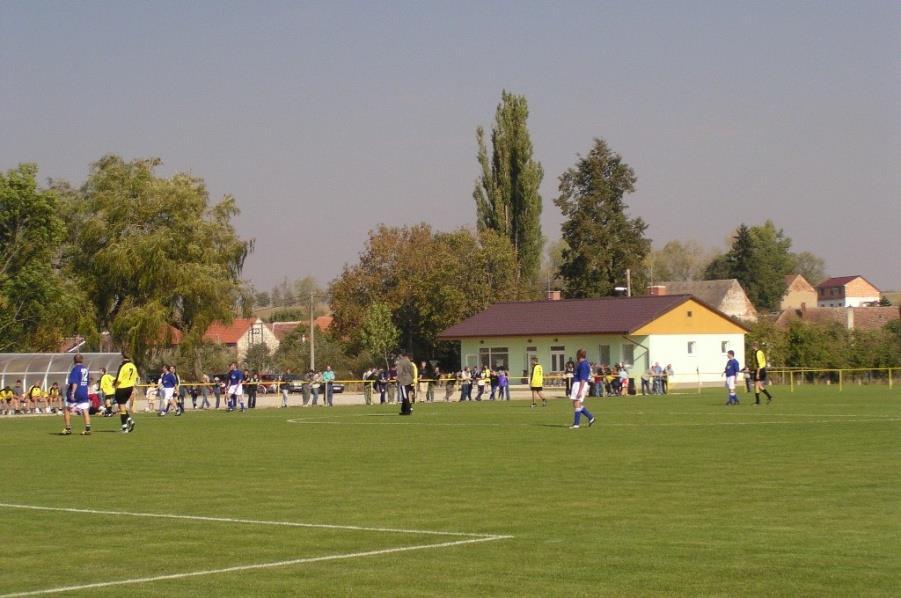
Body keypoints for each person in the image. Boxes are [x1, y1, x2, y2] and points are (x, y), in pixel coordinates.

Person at [62, 353, 92, 435]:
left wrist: (72, 393)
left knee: (67, 409)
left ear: (74, 361)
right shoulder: (86, 369)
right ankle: (87, 428)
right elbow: (88, 382)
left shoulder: (75, 369)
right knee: (85, 410)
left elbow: (74, 382)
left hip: (76, 392)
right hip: (84, 391)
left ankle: (68, 428)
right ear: (82, 360)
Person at [569, 349, 596, 429]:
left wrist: (580, 391)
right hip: (577, 384)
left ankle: (576, 424)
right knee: (576, 403)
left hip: (579, 384)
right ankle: (591, 418)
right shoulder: (580, 364)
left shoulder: (583, 364)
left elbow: (583, 379)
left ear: (579, 355)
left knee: (577, 403)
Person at [112, 352, 138, 433]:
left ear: (122, 357)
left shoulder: (122, 366)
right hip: (129, 388)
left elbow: (119, 379)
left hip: (122, 388)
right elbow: (135, 378)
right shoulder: (133, 366)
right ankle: (130, 421)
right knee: (121, 406)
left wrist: (114, 384)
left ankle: (124, 427)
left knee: (122, 407)